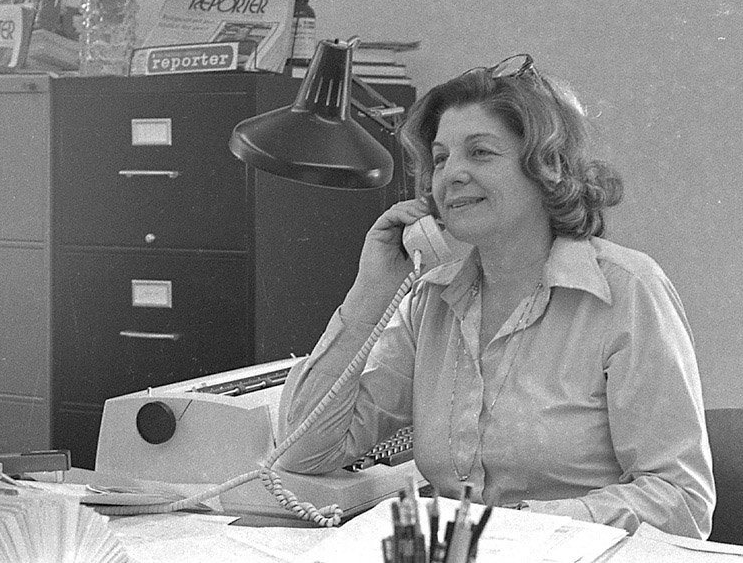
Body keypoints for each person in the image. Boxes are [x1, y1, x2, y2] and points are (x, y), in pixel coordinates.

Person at [276, 54, 715, 538]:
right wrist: (369, 294)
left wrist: (518, 529)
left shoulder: (627, 291)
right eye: (441, 159)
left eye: (480, 153)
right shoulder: (430, 299)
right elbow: (304, 452)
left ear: (546, 169)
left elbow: (681, 499)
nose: (451, 175)